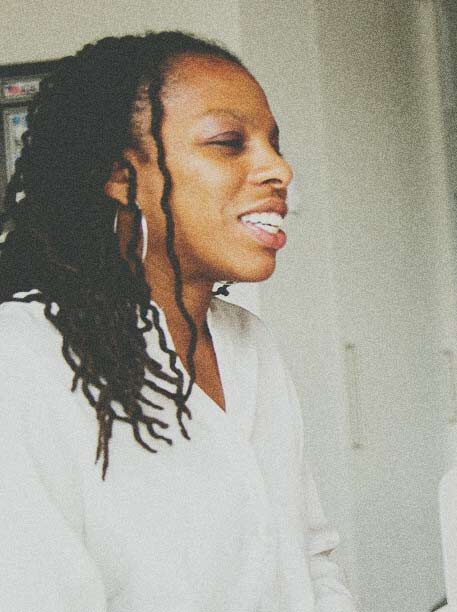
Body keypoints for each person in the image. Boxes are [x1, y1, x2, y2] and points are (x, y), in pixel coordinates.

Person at [0, 32, 356, 610]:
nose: (279, 169)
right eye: (227, 143)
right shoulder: (20, 358)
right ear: (122, 176)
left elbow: (310, 562)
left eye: (273, 143)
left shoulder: (248, 345)